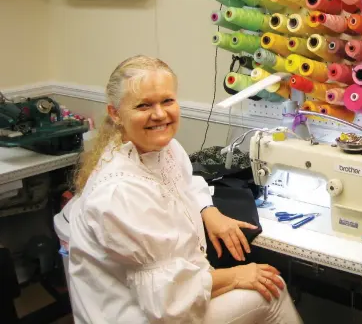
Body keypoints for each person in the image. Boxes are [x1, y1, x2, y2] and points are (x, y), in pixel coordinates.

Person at [67, 55, 303, 324]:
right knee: (272, 293)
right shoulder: (119, 191)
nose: (159, 114)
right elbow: (167, 300)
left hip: (162, 297)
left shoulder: (163, 149)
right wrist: (237, 276)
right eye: (144, 105)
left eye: (167, 101)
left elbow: (187, 182)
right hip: (143, 314)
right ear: (115, 113)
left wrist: (208, 211)